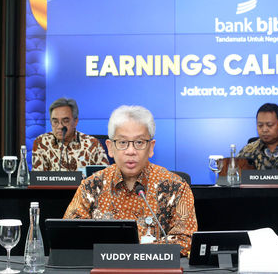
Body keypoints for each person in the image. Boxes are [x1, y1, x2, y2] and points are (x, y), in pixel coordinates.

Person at [63, 105, 197, 256]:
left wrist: (132, 254)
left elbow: (187, 240)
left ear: (151, 147)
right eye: (122, 142)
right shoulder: (91, 186)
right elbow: (68, 235)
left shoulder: (175, 187)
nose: (131, 151)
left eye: (139, 142)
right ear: (110, 147)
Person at [32, 97, 109, 171]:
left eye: (65, 121)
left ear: (75, 121)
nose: (60, 126)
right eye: (55, 121)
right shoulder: (42, 143)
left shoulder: (92, 144)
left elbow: (105, 178)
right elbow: (36, 180)